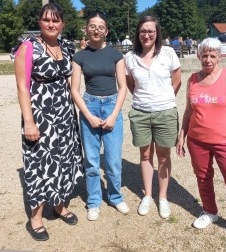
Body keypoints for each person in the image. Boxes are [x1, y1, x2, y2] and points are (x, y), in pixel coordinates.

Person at [176, 38, 226, 249]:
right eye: (204, 55)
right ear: (199, 56)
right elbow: (188, 111)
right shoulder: (192, 79)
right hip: (197, 140)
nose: (208, 59)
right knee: (203, 178)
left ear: (220, 58)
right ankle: (210, 211)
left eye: (213, 55)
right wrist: (182, 135)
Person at [11, 3, 84, 241]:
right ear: (39, 22)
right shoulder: (28, 47)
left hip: (64, 114)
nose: (51, 24)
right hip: (40, 115)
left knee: (63, 159)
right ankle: (36, 217)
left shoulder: (66, 45)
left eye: (56, 20)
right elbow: (22, 87)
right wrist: (29, 122)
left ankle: (59, 205)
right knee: (39, 165)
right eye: (46, 20)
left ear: (62, 23)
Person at [71, 12, 129, 221]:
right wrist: (88, 115)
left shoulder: (116, 55)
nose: (96, 30)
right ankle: (94, 201)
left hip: (112, 105)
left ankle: (115, 196)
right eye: (92, 26)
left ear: (106, 31)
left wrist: (114, 115)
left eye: (100, 27)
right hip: (90, 106)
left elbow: (123, 88)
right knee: (92, 161)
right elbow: (75, 90)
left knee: (113, 160)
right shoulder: (79, 56)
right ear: (86, 29)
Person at [125, 16, 181, 219]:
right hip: (140, 113)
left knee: (164, 156)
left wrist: (163, 100)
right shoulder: (130, 57)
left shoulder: (168, 53)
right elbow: (131, 85)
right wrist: (146, 101)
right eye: (142, 30)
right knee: (145, 155)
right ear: (137, 33)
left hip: (165, 112)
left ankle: (163, 197)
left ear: (157, 33)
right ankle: (148, 195)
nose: (146, 34)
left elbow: (177, 81)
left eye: (150, 31)